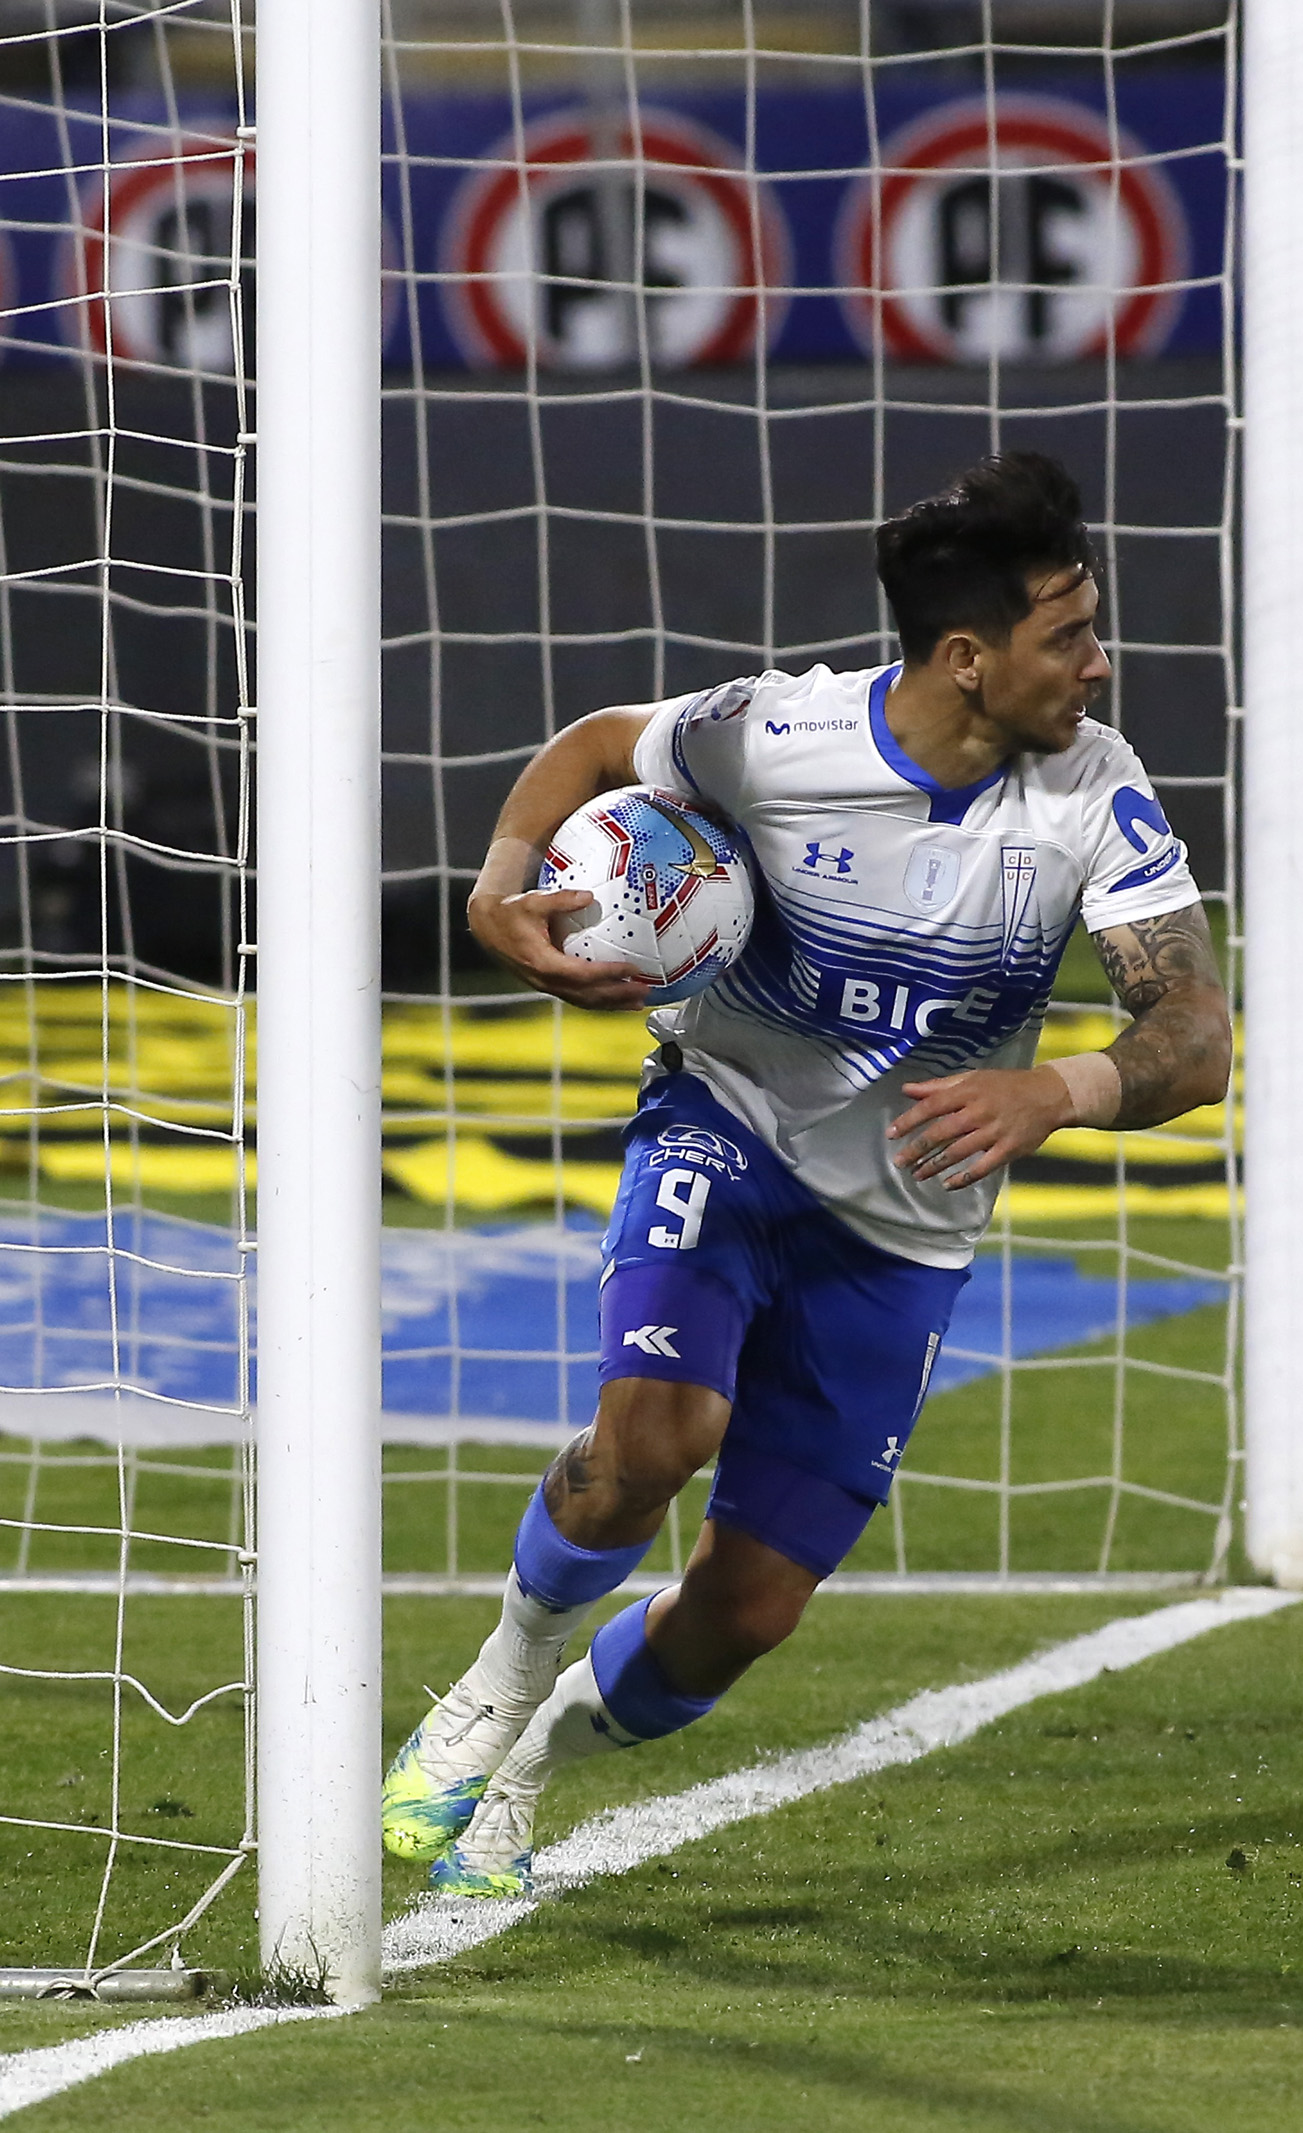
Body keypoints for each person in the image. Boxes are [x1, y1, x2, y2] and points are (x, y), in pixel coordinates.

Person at [382, 451, 1230, 1897]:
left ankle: (531, 1765)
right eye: (1068, 633)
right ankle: (487, 1693)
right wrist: (496, 886)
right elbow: (596, 745)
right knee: (657, 1434)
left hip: (903, 1227)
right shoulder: (777, 733)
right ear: (967, 658)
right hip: (728, 1120)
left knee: (747, 1609)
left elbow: (1195, 1033)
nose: (1101, 659)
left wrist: (1058, 1086)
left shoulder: (1097, 789)